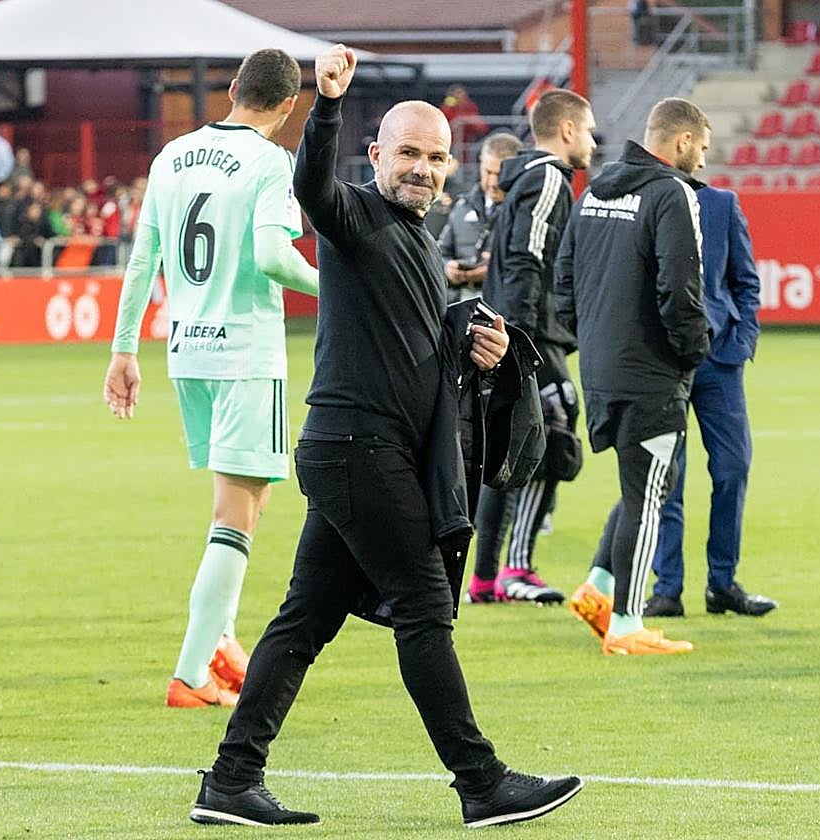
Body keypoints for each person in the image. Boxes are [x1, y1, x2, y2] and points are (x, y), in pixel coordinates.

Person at [191, 43, 582, 829]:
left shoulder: (415, 239)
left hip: (361, 452)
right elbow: (310, 184)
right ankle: (481, 781)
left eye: (437, 158)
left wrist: (478, 341)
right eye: (409, 153)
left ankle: (231, 781)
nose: (425, 169)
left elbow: (415, 338)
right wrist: (329, 104)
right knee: (423, 607)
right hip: (357, 449)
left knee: (304, 620)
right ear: (377, 155)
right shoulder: (357, 216)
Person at [103, 48, 320, 709]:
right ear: (289, 107)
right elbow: (271, 257)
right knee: (237, 513)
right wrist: (339, 286)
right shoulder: (270, 161)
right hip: (246, 354)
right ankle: (192, 672)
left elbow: (143, 262)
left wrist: (123, 352)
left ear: (231, 90)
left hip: (186, 352)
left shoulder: (171, 156)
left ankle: (221, 641)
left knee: (250, 499)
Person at [557, 97, 710, 655]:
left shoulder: (594, 192)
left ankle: (598, 587)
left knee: (640, 486)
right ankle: (625, 623)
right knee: (650, 496)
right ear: (683, 142)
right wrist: (691, 353)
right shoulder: (671, 195)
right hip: (650, 372)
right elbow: (680, 289)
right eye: (703, 149)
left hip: (601, 367)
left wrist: (592, 339)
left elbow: (563, 278)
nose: (703, 162)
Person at [469, 89, 596, 604]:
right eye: (587, 130)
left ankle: (484, 577)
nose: (591, 141)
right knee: (556, 434)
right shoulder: (547, 178)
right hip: (529, 340)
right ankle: (515, 569)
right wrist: (521, 347)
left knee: (509, 450)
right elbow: (526, 260)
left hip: (515, 334)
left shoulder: (523, 180)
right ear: (566, 131)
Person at [645, 148, 775, 619]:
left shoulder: (721, 205)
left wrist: (743, 340)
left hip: (720, 362)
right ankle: (667, 589)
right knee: (668, 479)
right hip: (665, 363)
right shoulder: (648, 204)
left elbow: (746, 281)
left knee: (732, 468)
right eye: (699, 145)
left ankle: (722, 584)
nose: (702, 156)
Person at [437, 132, 521, 304]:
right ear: (480, 165)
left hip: (506, 313)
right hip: (459, 309)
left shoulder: (525, 211)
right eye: (488, 172)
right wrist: (447, 268)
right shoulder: (462, 206)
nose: (493, 182)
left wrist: (496, 268)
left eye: (500, 174)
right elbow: (440, 253)